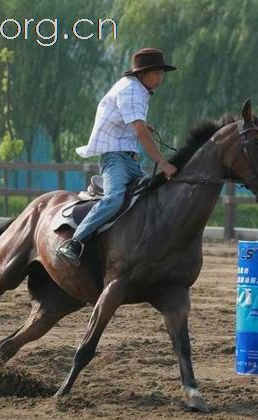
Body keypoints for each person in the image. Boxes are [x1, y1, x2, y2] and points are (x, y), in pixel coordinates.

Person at [56, 48, 179, 267]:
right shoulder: (131, 90)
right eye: (157, 73)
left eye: (162, 74)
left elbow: (132, 123)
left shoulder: (138, 90)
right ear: (143, 74)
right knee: (114, 198)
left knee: (151, 195)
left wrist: (142, 125)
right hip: (114, 158)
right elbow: (139, 130)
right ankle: (74, 243)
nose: (161, 79)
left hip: (129, 160)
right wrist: (162, 162)